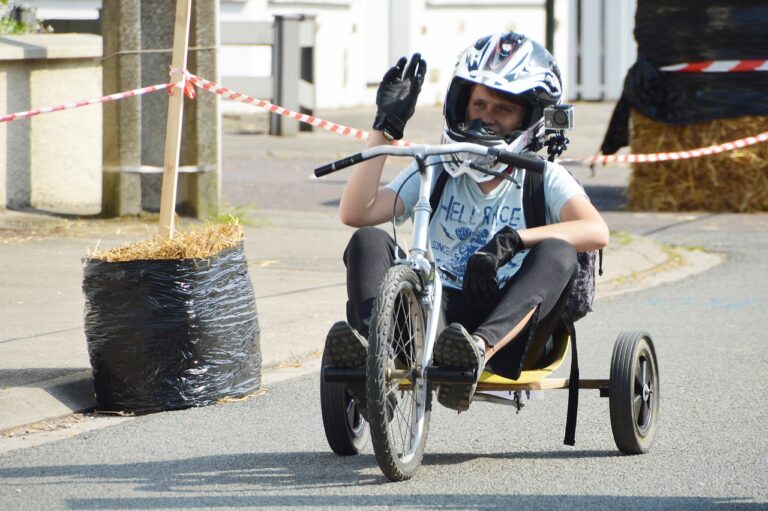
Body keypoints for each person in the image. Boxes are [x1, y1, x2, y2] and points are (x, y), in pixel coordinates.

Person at [323, 32, 609, 413]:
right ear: (462, 104)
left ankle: (474, 353)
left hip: (510, 328)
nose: (485, 118)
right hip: (434, 319)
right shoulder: (440, 166)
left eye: (502, 109)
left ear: (529, 118)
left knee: (559, 251)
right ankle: (371, 359)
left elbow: (596, 231)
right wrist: (385, 127)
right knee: (368, 240)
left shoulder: (542, 176)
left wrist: (513, 241)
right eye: (478, 104)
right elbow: (357, 211)